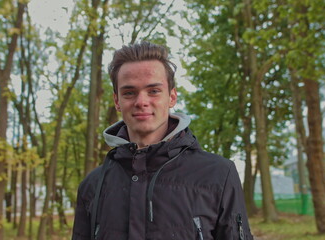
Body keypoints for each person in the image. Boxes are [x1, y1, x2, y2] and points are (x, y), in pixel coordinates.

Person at [71, 41, 253, 240]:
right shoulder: (93, 185)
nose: (141, 101)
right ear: (117, 101)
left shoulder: (219, 175)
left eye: (153, 91)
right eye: (129, 92)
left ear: (172, 97)